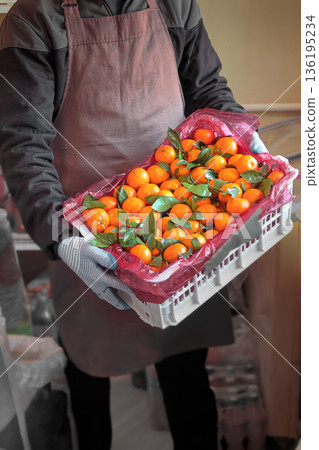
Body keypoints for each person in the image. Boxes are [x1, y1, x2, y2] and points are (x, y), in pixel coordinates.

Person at [0, 1, 267, 449]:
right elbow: (23, 139)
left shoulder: (174, 4)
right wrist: (60, 237)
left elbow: (207, 88)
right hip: (87, 232)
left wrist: (239, 133)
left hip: (179, 224)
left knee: (185, 373)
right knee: (88, 377)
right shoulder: (33, 18)